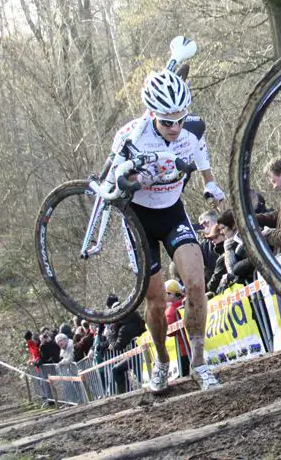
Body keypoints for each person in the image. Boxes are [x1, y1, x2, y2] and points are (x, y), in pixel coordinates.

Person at [104, 68, 223, 391]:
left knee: (196, 284)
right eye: (167, 122)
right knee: (156, 300)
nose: (175, 128)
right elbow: (113, 183)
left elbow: (201, 156)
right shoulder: (131, 135)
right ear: (153, 114)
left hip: (172, 212)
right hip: (138, 219)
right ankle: (161, 361)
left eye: (180, 120)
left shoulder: (193, 129)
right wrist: (133, 179)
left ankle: (199, 362)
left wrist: (209, 183)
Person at [164, 279, 191, 377]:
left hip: (183, 350)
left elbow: (169, 332)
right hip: (196, 344)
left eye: (165, 293)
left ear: (171, 295)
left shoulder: (170, 312)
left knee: (185, 376)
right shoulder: (189, 301)